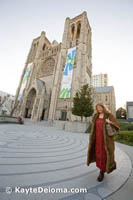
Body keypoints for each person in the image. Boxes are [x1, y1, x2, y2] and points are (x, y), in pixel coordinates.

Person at [86, 103, 120, 182]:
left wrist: (110, 122)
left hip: (106, 140)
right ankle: (101, 168)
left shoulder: (108, 115)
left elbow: (117, 125)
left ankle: (102, 171)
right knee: (98, 154)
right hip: (97, 139)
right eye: (97, 108)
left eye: (100, 107)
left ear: (103, 107)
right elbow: (94, 127)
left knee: (105, 154)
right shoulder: (96, 116)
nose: (99, 109)